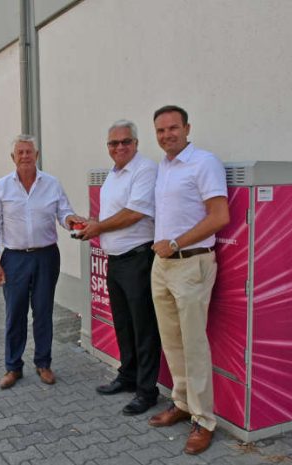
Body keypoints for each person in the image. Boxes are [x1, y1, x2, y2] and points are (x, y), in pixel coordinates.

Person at [147, 105, 229, 455]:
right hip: (163, 266)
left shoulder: (203, 162)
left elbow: (220, 216)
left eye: (173, 128)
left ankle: (204, 420)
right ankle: (181, 403)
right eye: (161, 130)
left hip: (191, 263)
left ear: (187, 128)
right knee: (172, 342)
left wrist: (177, 243)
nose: (167, 135)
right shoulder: (164, 167)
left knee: (194, 345)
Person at [77, 120, 161, 416]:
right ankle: (127, 377)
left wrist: (98, 226)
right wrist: (91, 225)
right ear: (108, 148)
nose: (120, 147)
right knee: (124, 325)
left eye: (126, 141)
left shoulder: (145, 169)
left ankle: (147, 391)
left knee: (144, 328)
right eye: (114, 143)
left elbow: (136, 212)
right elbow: (113, 215)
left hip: (138, 260)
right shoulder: (113, 175)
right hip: (116, 261)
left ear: (136, 144)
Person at [0, 134, 82, 390]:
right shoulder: (1, 187)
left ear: (37, 155)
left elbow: (63, 211)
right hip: (15, 258)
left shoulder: (51, 184)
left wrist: (71, 220)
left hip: (46, 256)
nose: (25, 156)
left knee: (43, 312)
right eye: (21, 152)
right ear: (13, 158)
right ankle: (13, 367)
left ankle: (43, 363)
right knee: (14, 313)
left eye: (29, 152)